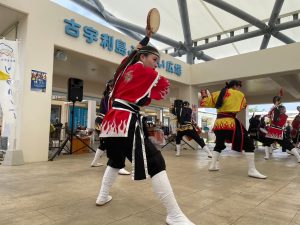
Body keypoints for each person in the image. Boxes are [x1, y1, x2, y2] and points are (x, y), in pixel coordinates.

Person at [96, 35, 195, 224]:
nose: (156, 65)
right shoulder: (146, 74)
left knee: (115, 160)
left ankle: (102, 195)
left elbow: (126, 62)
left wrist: (141, 43)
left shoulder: (124, 70)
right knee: (155, 162)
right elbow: (163, 87)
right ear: (143, 57)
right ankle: (174, 214)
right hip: (126, 119)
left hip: (111, 122)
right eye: (154, 59)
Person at [199, 80, 267, 179]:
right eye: (239, 86)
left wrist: (205, 96)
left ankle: (213, 165)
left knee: (219, 144)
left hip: (218, 124)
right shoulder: (238, 94)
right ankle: (252, 170)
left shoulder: (217, 93)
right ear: (235, 86)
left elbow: (204, 103)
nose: (240, 88)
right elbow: (244, 106)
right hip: (229, 123)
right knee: (248, 144)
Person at [90, 80, 131, 175]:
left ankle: (94, 162)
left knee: (104, 144)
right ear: (111, 86)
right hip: (107, 122)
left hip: (101, 122)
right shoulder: (111, 96)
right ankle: (119, 167)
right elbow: (114, 110)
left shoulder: (105, 96)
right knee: (119, 143)